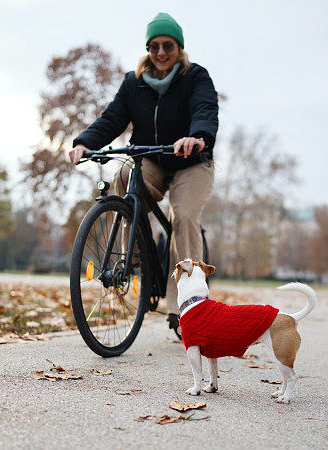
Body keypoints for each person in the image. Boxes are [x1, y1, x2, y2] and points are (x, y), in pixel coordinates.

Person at [69, 12, 218, 332]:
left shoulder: (196, 77)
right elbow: (112, 119)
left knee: (185, 215)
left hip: (191, 161)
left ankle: (186, 307)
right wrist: (84, 143)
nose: (161, 53)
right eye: (154, 47)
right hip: (151, 157)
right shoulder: (133, 83)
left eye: (168, 45)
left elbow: (205, 110)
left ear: (179, 47)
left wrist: (198, 136)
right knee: (123, 177)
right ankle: (132, 258)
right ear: (147, 50)